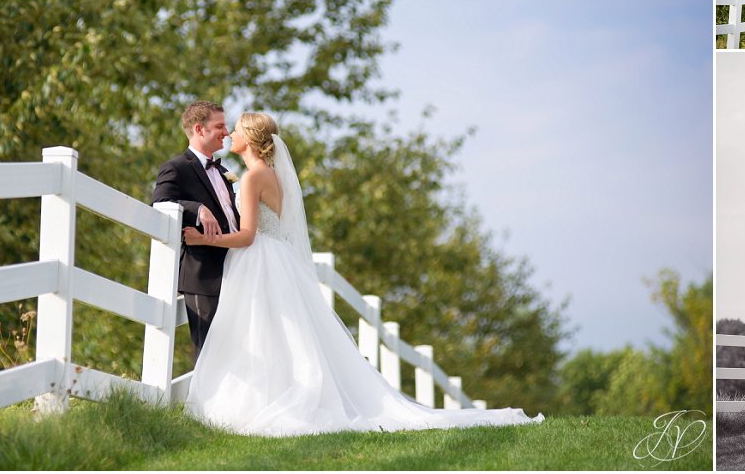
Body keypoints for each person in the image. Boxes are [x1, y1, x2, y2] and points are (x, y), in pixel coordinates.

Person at [182, 112, 544, 436]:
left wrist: (203, 239)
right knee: (281, 334)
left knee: (262, 332)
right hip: (279, 259)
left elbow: (246, 236)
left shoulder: (251, 177)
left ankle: (262, 401)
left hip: (260, 259)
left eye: (236, 130)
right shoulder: (273, 175)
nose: (229, 134)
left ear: (251, 138)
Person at [151, 101, 240, 365]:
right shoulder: (177, 167)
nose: (227, 132)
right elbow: (158, 204)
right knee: (209, 353)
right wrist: (197, 209)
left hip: (237, 270)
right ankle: (202, 408)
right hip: (202, 274)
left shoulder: (224, 172)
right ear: (200, 129)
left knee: (237, 350)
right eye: (220, 126)